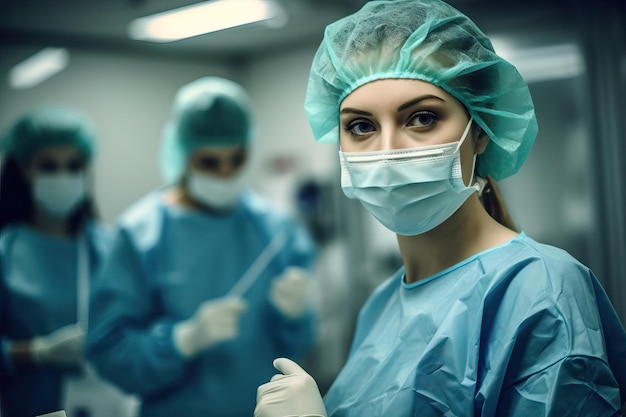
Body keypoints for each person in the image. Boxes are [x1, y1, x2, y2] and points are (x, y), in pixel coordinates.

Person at [254, 1, 626, 416]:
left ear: (480, 132)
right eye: (361, 126)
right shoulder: (382, 303)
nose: (387, 151)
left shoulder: (542, 291)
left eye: (422, 118)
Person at [85, 76, 317, 417]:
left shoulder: (274, 228)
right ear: (182, 152)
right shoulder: (141, 234)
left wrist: (296, 317)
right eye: (209, 162)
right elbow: (107, 350)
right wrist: (182, 340)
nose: (225, 173)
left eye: (236, 159)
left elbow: (297, 349)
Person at [0, 106, 134, 417]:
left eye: (74, 165)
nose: (63, 175)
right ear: (24, 169)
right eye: (48, 166)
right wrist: (36, 353)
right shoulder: (7, 253)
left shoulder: (112, 246)